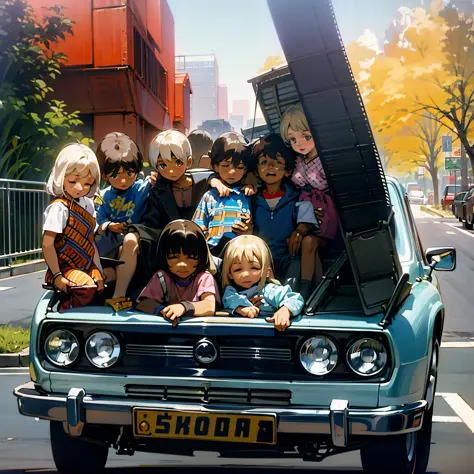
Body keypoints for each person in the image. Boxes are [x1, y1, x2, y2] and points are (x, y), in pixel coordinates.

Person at [251, 134, 319, 299]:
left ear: (288, 170)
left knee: (292, 286)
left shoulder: (297, 196)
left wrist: (300, 230)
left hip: (288, 259)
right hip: (260, 261)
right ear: (257, 170)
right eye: (264, 163)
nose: (271, 167)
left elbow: (306, 220)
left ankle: (300, 296)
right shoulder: (251, 199)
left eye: (278, 163)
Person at [280, 104, 338, 283]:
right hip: (301, 211)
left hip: (324, 210)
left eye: (306, 136)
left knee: (309, 242)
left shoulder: (326, 160)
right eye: (293, 140)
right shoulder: (296, 160)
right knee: (306, 247)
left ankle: (306, 289)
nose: (300, 144)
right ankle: (315, 288)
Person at [42, 143, 104, 310]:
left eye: (87, 183)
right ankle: (65, 311)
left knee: (102, 283)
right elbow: (48, 244)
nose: (80, 188)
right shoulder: (58, 208)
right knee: (87, 287)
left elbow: (90, 241)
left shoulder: (88, 204)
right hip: (64, 267)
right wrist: (56, 276)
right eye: (73, 181)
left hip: (86, 264)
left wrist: (97, 268)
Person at [136, 220, 220, 326]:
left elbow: (209, 306)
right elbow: (144, 302)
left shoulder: (204, 277)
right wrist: (164, 311)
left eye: (191, 257)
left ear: (201, 257)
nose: (182, 264)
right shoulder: (162, 277)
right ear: (164, 255)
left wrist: (184, 307)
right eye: (174, 257)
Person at [222, 235, 304, 332]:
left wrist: (285, 310)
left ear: (267, 271)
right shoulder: (231, 291)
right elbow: (229, 300)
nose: (246, 274)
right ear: (230, 274)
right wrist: (241, 309)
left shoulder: (269, 290)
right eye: (238, 269)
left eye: (254, 268)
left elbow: (295, 299)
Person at [193, 133, 255, 256]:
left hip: (240, 254)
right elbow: (197, 226)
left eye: (239, 167)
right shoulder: (209, 196)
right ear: (215, 166)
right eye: (226, 166)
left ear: (246, 169)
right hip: (211, 253)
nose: (232, 171)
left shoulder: (249, 195)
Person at [95, 132, 150, 267]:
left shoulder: (142, 188)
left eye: (129, 173)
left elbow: (151, 182)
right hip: (110, 241)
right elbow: (98, 217)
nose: (124, 180)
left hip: (137, 237)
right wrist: (109, 225)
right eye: (115, 175)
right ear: (105, 175)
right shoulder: (103, 196)